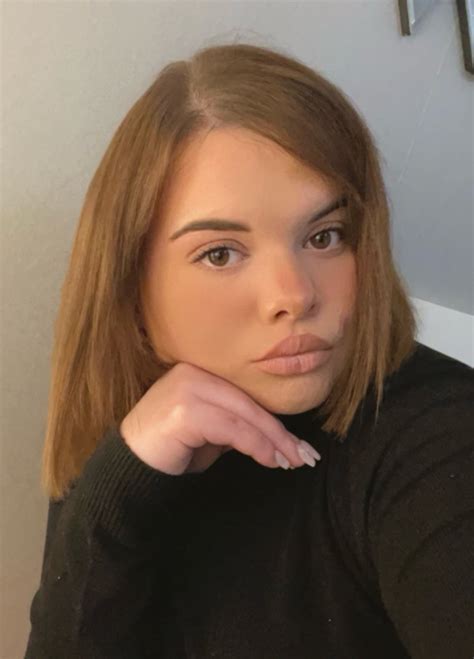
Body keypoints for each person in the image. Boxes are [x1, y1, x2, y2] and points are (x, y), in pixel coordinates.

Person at [24, 42, 473, 658]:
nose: (295, 296)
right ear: (130, 285)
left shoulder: (434, 434)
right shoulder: (120, 428)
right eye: (220, 254)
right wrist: (122, 481)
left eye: (325, 236)